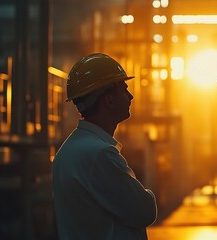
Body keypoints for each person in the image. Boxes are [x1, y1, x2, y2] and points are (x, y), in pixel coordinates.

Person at [52, 53, 157, 240]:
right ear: (109, 100)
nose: (130, 96)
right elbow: (145, 211)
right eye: (124, 89)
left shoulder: (69, 150)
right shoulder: (99, 154)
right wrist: (146, 193)